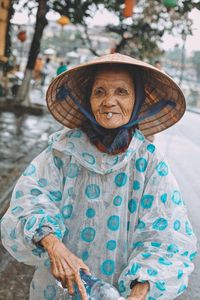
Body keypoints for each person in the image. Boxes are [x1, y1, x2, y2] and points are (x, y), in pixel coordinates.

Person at [1, 53, 197, 300]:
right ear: (88, 100)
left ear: (137, 99)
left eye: (121, 92)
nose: (109, 101)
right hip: (54, 291)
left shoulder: (149, 162)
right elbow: (28, 202)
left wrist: (140, 291)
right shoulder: (62, 151)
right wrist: (54, 245)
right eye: (99, 92)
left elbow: (167, 238)